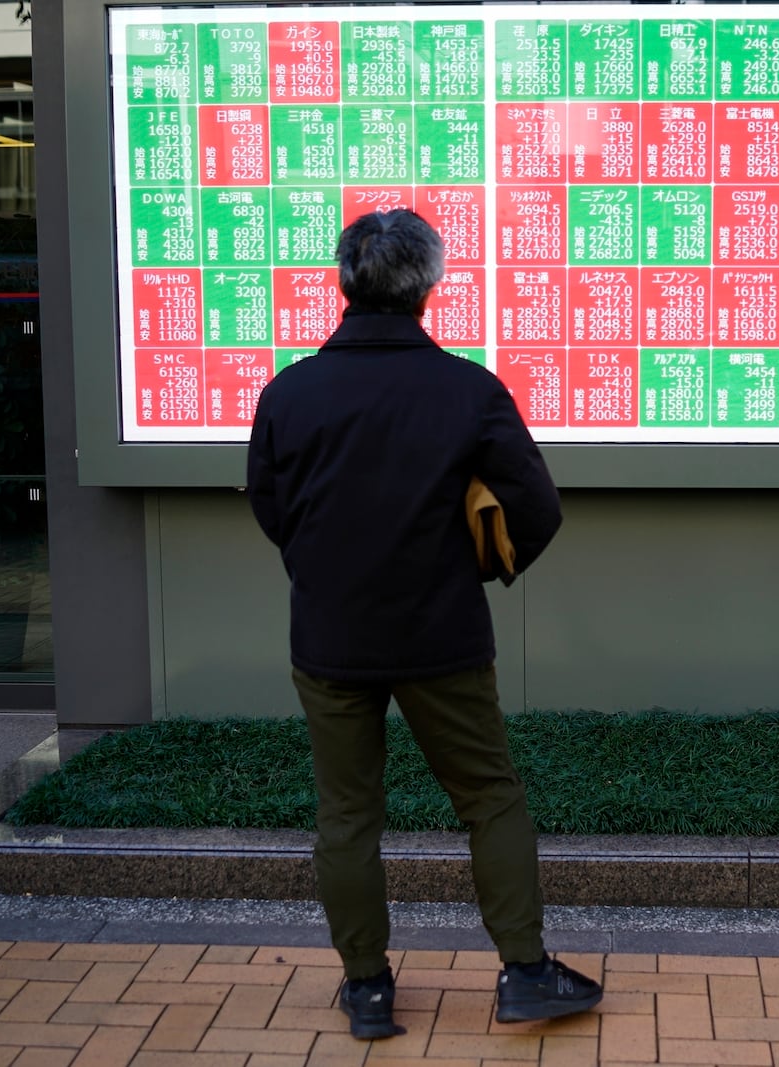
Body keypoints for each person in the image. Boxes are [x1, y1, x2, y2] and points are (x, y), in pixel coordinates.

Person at [245, 209, 602, 1039]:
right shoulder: (467, 391)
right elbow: (538, 511)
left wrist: (327, 572)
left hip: (329, 635)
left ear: (342, 282)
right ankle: (523, 972)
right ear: (429, 289)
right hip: (442, 634)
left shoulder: (288, 392)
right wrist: (467, 563)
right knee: (488, 797)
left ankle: (366, 989)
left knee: (347, 814)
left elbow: (272, 507)